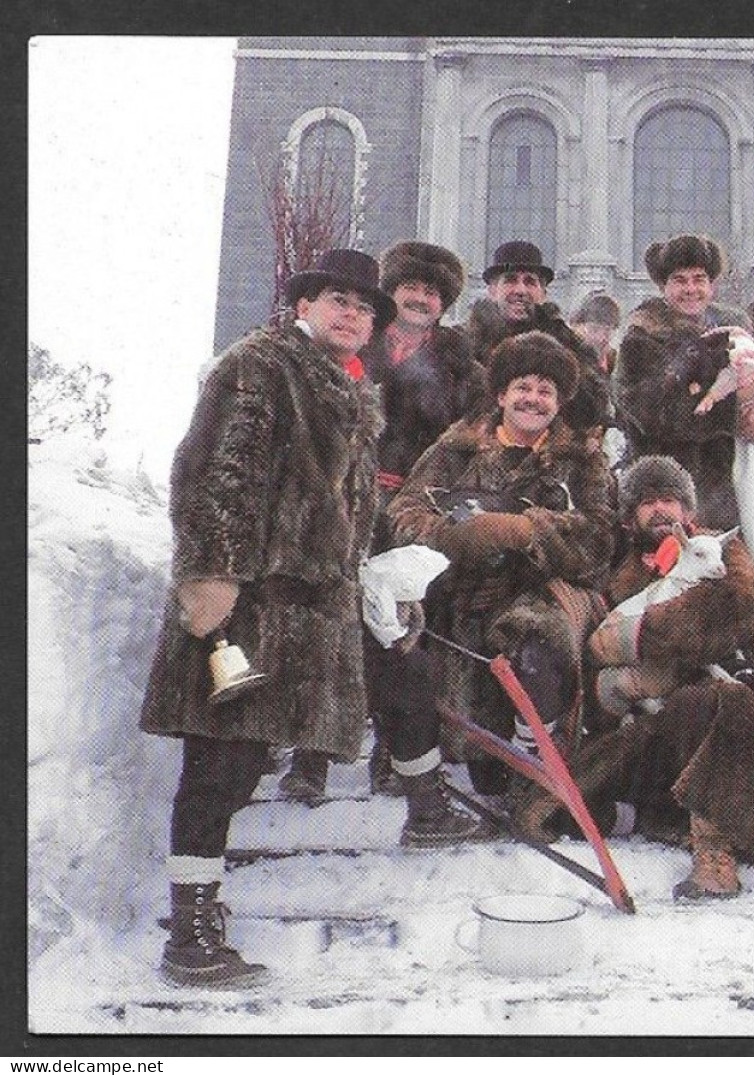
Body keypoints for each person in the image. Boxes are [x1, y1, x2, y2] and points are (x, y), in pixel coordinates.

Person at [139, 249, 476, 988]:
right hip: (249, 599)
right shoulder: (260, 366)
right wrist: (210, 574)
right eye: (338, 300)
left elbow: (346, 507)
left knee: (242, 759)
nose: (353, 314)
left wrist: (379, 572)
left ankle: (202, 909)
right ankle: (189, 933)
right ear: (304, 305)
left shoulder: (349, 387)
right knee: (219, 760)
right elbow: (212, 471)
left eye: (364, 306)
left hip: (313, 604)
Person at [279, 239, 489, 801]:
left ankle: (398, 756)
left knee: (407, 628)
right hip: (345, 503)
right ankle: (313, 753)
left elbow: (473, 434)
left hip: (416, 509)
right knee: (333, 621)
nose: (420, 298)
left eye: (431, 291)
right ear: (391, 295)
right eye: (410, 288)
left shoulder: (460, 363)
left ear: (443, 303)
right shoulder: (354, 347)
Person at [533, 455, 754, 900]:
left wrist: (638, 634)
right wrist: (630, 652)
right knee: (701, 702)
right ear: (632, 514)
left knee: (731, 700)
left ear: (687, 511)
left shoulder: (721, 550)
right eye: (648, 501)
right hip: (650, 726)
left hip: (724, 706)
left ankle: (717, 848)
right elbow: (596, 652)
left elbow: (731, 614)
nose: (660, 510)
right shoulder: (614, 569)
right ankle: (683, 830)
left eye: (670, 499)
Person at [388, 331, 616, 797]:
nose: (533, 400)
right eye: (524, 388)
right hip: (464, 599)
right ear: (501, 394)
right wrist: (454, 538)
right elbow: (402, 514)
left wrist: (528, 532)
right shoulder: (454, 451)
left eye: (546, 391)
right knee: (483, 765)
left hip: (547, 597)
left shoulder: (583, 461)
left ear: (560, 402)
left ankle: (538, 767)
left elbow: (601, 539)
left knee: (536, 647)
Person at [613, 234, 754, 530]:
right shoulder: (641, 337)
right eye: (680, 280)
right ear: (663, 287)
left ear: (711, 284)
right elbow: (656, 415)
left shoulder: (734, 328)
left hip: (736, 488)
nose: (691, 289)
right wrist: (737, 406)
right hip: (670, 494)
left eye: (699, 279)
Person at [462, 239, 610, 437]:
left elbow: (594, 410)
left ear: (543, 293)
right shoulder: (463, 346)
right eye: (510, 280)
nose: (520, 290)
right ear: (492, 290)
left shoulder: (571, 347)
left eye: (530, 282)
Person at [568, 292, 622, 376]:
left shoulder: (612, 360)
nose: (601, 338)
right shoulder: (566, 359)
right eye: (593, 329)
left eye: (607, 331)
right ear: (576, 326)